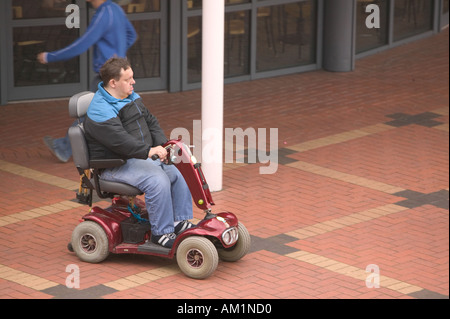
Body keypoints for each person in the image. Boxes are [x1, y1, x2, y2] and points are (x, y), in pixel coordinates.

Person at [84, 57, 194, 248]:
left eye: (132, 77)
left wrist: (163, 146)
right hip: (114, 164)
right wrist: (148, 151)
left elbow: (151, 121)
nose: (133, 82)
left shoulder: (130, 96)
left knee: (178, 172)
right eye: (128, 79)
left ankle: (179, 222)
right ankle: (161, 233)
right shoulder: (101, 109)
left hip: (139, 158)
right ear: (113, 83)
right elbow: (121, 142)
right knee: (157, 180)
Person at [38, 0, 137, 162]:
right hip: (117, 72)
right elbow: (131, 35)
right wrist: (117, 54)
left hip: (107, 74)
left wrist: (50, 56)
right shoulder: (115, 9)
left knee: (89, 114)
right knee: (103, 113)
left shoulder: (104, 14)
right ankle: (66, 147)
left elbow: (82, 43)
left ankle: (64, 148)